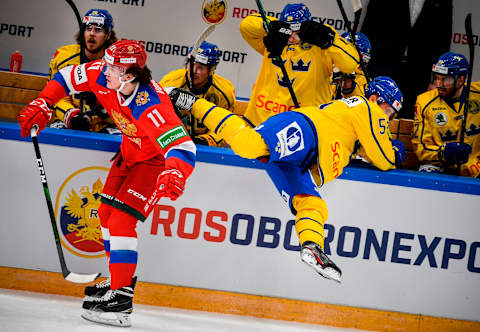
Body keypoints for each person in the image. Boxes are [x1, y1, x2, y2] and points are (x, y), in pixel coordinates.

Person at [17, 40, 197, 326]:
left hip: (153, 163)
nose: (104, 68)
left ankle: (122, 299)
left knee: (122, 222)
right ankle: (117, 282)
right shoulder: (104, 74)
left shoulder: (151, 105)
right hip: (127, 155)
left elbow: (184, 146)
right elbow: (66, 77)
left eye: (112, 66)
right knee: (104, 215)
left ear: (129, 75)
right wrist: (44, 101)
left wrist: (175, 172)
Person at [168, 76, 406, 283]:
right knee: (249, 145)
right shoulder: (369, 109)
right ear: (376, 99)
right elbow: (384, 157)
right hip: (307, 130)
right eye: (389, 112)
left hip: (303, 158)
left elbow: (366, 148)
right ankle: (192, 102)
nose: (388, 119)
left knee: (312, 204)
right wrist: (395, 152)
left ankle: (312, 247)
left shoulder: (357, 126)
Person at [239, 3, 360, 127]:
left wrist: (329, 39)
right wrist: (273, 26)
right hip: (263, 120)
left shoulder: (321, 46)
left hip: (306, 124)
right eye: (288, 33)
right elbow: (246, 26)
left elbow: (351, 65)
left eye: (296, 33)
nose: (291, 39)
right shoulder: (273, 40)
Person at [48, 9, 119, 133]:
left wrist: (101, 110)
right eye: (88, 29)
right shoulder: (63, 57)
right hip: (71, 118)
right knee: (58, 131)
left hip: (104, 125)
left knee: (119, 139)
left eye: (98, 30)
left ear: (108, 35)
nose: (92, 34)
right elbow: (57, 98)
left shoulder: (118, 65)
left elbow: (125, 109)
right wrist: (72, 116)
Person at [411, 52, 479, 177]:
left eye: (445, 79)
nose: (438, 84)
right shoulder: (424, 101)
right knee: (427, 177)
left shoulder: (478, 95)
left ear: (461, 80)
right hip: (437, 162)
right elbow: (420, 146)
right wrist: (442, 153)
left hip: (474, 163)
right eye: (437, 78)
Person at [160, 41, 236, 147]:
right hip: (173, 141)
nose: (193, 71)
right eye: (191, 64)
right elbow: (158, 117)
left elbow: (225, 127)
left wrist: (204, 141)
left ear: (211, 70)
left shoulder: (224, 92)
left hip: (204, 147)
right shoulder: (170, 83)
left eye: (200, 68)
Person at [331, 32, 371, 100]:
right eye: (359, 60)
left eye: (365, 61)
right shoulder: (324, 67)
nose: (361, 66)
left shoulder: (366, 83)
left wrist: (349, 86)